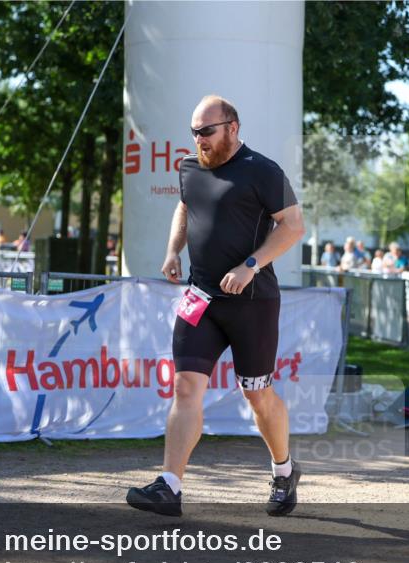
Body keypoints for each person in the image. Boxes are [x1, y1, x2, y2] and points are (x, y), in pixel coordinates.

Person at [126, 95, 305, 518]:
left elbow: (293, 226)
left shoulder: (262, 170)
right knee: (185, 386)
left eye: (206, 131)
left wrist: (251, 265)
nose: (199, 140)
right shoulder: (190, 167)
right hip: (201, 299)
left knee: (256, 394)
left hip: (253, 303)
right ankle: (169, 488)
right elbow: (185, 208)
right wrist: (173, 251)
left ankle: (284, 471)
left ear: (232, 127)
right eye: (194, 132)